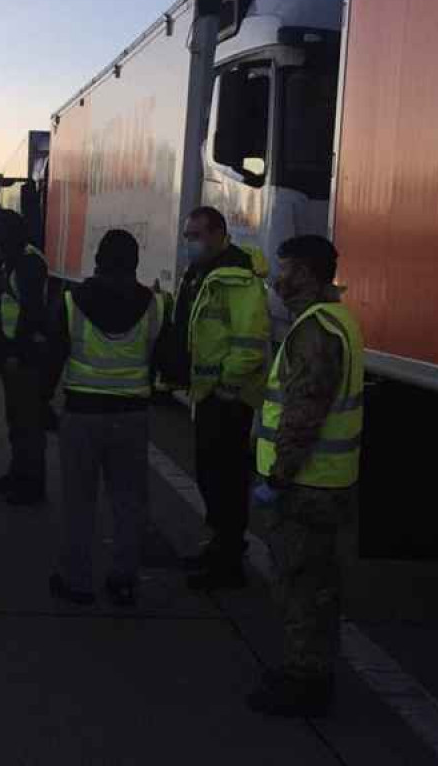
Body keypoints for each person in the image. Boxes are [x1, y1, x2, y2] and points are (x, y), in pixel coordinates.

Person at [247, 235, 363, 717]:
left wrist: (278, 478)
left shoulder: (314, 329)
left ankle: (306, 678)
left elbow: (303, 414)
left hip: (306, 485)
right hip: (327, 481)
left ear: (310, 273)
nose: (278, 277)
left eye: (287, 268)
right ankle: (313, 671)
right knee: (317, 583)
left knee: (300, 583)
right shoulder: (336, 321)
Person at [46, 230, 171, 606]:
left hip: (82, 414)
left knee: (79, 502)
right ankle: (124, 579)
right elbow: (171, 364)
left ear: (98, 258)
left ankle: (76, 580)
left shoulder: (71, 302)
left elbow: (52, 358)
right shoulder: (155, 305)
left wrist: (41, 403)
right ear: (135, 261)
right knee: (129, 501)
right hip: (131, 416)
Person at [168, 206, 270, 590]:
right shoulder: (203, 272)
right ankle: (219, 545)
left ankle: (229, 560)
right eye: (187, 235)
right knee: (210, 475)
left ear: (217, 233)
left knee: (226, 479)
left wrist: (228, 386)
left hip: (228, 397)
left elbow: (249, 341)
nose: (189, 242)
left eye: (195, 235)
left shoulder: (238, 277)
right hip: (209, 393)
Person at [0, 210, 50, 505]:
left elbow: (31, 313)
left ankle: (31, 484)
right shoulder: (10, 260)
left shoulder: (29, 262)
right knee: (16, 421)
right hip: (10, 353)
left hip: (24, 356)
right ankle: (17, 473)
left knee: (28, 424)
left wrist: (13, 353)